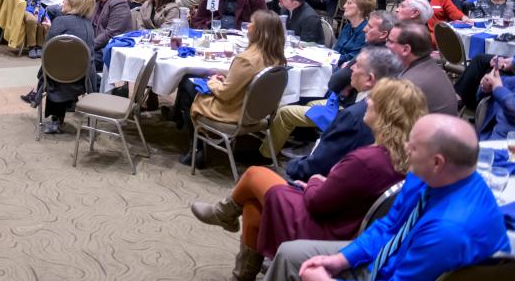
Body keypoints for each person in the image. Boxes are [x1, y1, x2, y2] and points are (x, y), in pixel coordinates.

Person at [192, 78, 425, 281]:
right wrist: (323, 184)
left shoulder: (369, 159)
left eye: (373, 99)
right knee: (253, 204)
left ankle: (225, 213)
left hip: (324, 226)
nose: (367, 102)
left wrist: (314, 181)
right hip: (346, 221)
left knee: (255, 174)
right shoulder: (406, 155)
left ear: (387, 112)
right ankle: (241, 272)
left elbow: (317, 203)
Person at [264, 114, 511, 281]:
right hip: (389, 259)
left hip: (400, 271)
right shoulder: (428, 175)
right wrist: (341, 260)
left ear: (438, 162)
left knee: (301, 266)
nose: (405, 150)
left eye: (413, 147)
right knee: (289, 255)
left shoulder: (448, 230)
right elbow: (389, 226)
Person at [284, 47, 403, 182]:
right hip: (368, 183)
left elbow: (317, 166)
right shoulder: (398, 106)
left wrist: (291, 166)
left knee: (257, 174)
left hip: (330, 187)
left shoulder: (355, 116)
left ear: (370, 79)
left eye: (357, 65)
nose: (351, 68)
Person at [189, 10, 286, 131]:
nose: (248, 25)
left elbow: (224, 94)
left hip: (236, 114)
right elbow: (250, 85)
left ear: (259, 31)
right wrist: (226, 80)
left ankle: (196, 144)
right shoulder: (277, 58)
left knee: (189, 87)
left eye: (251, 23)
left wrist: (213, 81)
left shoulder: (246, 59)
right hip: (260, 113)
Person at [23, 0, 97, 132]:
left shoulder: (60, 21)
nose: (62, 2)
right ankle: (66, 106)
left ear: (73, 4)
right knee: (61, 65)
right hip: (85, 78)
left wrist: (48, 30)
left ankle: (55, 119)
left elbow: (48, 50)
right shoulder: (89, 24)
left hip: (60, 77)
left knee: (52, 68)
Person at [386, 22, 458, 115]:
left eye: (390, 42)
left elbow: (389, 124)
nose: (386, 45)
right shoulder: (432, 67)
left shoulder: (408, 85)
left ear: (406, 49)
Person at [91, 0, 132, 70]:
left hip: (105, 50)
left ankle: (95, 84)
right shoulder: (97, 1)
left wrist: (88, 46)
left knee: (74, 59)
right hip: (94, 45)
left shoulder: (119, 4)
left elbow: (110, 34)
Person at [335, 0, 374, 65]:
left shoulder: (365, 31)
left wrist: (329, 58)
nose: (344, 6)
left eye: (349, 3)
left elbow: (352, 57)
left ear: (361, 8)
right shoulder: (348, 26)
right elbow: (337, 49)